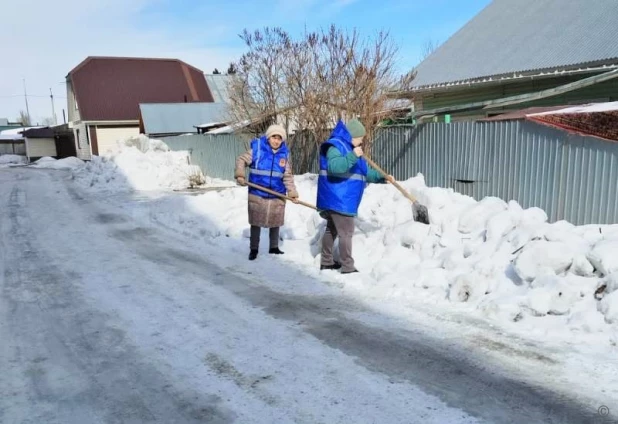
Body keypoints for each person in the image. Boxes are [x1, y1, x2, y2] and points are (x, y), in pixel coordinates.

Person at [316, 118, 394, 273]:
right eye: (361, 137)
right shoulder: (336, 146)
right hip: (338, 198)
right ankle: (347, 266)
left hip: (342, 198)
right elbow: (335, 167)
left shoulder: (350, 148)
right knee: (346, 232)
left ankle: (326, 261)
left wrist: (381, 177)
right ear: (352, 135)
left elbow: (363, 173)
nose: (362, 140)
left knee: (332, 229)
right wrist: (352, 156)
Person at [235, 124, 299, 260]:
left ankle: (274, 247)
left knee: (275, 220)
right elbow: (241, 160)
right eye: (274, 137)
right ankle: (254, 249)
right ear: (268, 137)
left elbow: (287, 175)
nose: (276, 141)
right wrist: (240, 174)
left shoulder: (285, 154)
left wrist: (292, 192)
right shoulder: (257, 149)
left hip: (277, 193)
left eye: (279, 138)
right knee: (256, 222)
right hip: (257, 191)